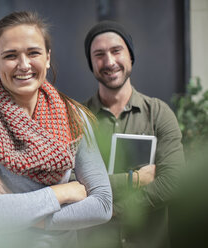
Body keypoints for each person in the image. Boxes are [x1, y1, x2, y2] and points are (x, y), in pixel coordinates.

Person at [0, 11, 112, 248]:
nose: (24, 65)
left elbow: (102, 206)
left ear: (48, 58)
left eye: (33, 53)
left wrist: (13, 205)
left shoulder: (74, 115)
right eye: (10, 55)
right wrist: (63, 192)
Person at [79, 20, 185, 248]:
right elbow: (72, 184)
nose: (109, 61)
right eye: (99, 54)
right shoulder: (78, 119)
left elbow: (172, 182)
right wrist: (134, 180)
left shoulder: (158, 113)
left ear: (130, 57)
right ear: (91, 63)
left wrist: (111, 209)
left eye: (116, 51)